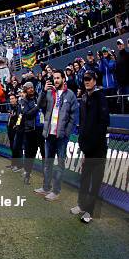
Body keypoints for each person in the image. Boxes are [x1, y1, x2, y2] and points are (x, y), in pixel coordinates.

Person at [35, 69, 78, 201]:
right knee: (48, 163)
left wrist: (66, 132)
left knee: (59, 164)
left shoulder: (70, 95)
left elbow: (74, 116)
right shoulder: (48, 93)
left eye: (58, 78)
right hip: (49, 134)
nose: (56, 80)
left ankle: (56, 191)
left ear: (63, 79)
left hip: (61, 137)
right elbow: (39, 105)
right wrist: (43, 91)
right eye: (54, 78)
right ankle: (46, 187)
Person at [73, 70, 109, 223]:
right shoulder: (83, 98)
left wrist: (93, 144)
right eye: (84, 79)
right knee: (84, 179)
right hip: (87, 147)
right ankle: (81, 205)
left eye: (89, 79)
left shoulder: (100, 97)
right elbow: (82, 123)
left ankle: (90, 211)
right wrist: (83, 145)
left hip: (98, 148)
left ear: (95, 80)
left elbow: (104, 122)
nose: (86, 81)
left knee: (95, 182)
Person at [7, 94, 20, 169]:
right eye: (10, 99)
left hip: (15, 130)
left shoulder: (18, 108)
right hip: (10, 130)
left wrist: (16, 126)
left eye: (12, 98)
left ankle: (18, 165)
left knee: (16, 148)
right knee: (12, 147)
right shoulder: (11, 108)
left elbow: (19, 117)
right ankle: (13, 164)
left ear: (16, 99)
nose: (11, 100)